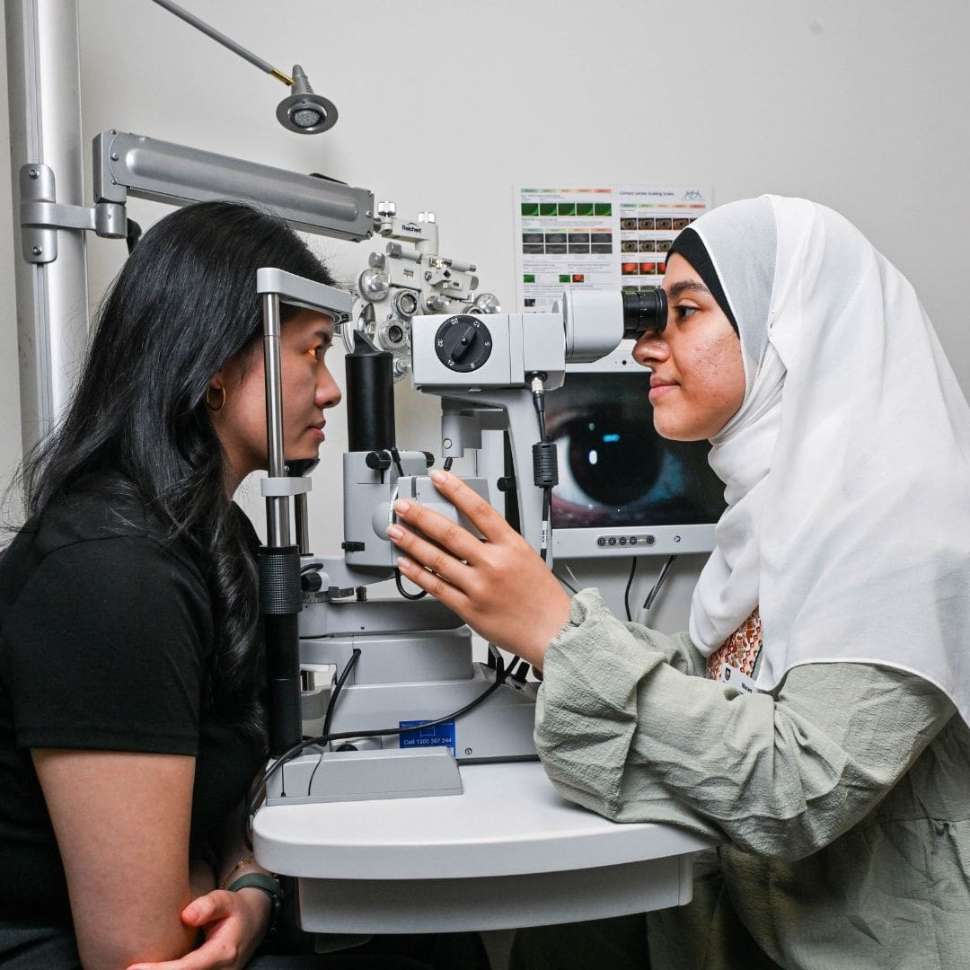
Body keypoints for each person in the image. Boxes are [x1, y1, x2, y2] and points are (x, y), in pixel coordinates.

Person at [386, 195, 970, 968]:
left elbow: (793, 787)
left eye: (683, 312)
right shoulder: (772, 516)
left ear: (789, 330)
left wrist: (557, 630)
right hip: (747, 922)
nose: (645, 349)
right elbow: (722, 685)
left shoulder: (907, 528)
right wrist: (532, 617)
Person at [0, 201, 485, 970]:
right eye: (311, 353)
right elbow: (146, 951)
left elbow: (228, 791)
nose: (328, 391)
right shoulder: (111, 575)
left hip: (205, 912)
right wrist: (246, 901)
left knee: (439, 938)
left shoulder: (216, 535)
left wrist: (250, 886)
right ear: (219, 369)